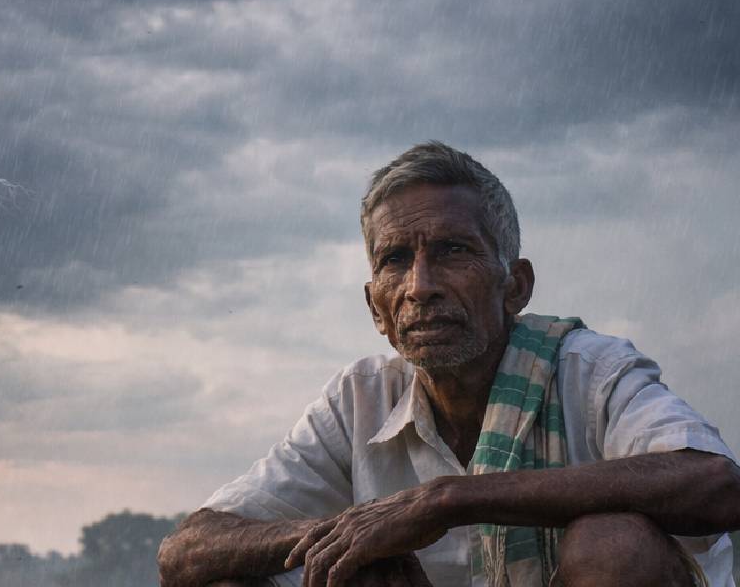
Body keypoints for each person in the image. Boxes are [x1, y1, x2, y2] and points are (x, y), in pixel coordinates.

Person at [157, 142, 740, 587]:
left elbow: (715, 484)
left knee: (614, 544)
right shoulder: (360, 397)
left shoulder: (590, 369)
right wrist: (347, 535)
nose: (421, 286)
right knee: (335, 564)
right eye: (395, 260)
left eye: (453, 251)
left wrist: (447, 500)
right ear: (376, 309)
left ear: (515, 285)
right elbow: (185, 550)